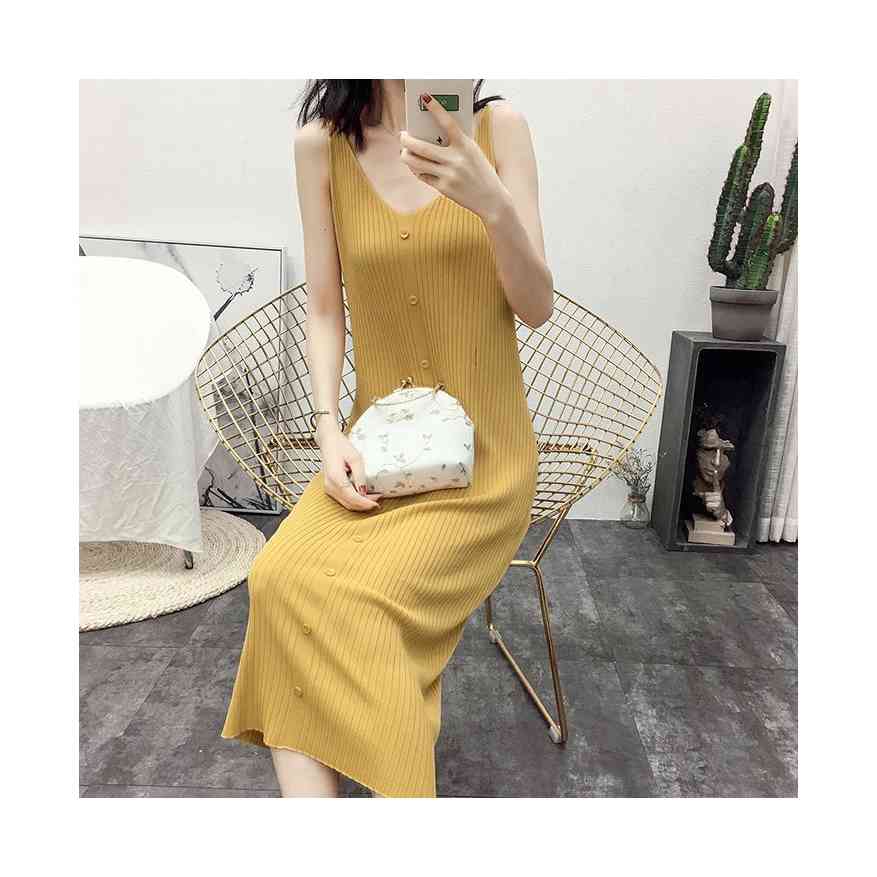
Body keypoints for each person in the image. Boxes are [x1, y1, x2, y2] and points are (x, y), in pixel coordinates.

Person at [220, 79, 554, 797]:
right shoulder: (321, 147)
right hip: (379, 455)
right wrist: (326, 430)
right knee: (278, 580)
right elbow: (323, 308)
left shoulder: (499, 130)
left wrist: (491, 203)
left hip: (485, 466)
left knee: (365, 606)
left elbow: (536, 307)